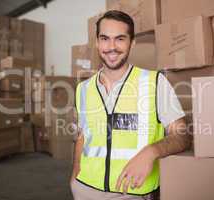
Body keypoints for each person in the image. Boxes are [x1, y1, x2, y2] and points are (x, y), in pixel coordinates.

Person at [70, 10, 191, 200]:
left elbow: (182, 136)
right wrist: (75, 176)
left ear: (132, 43)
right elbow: (83, 136)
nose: (111, 47)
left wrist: (151, 152)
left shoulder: (155, 83)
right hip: (85, 189)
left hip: (131, 192)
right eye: (104, 38)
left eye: (120, 39)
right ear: (97, 42)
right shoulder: (83, 89)